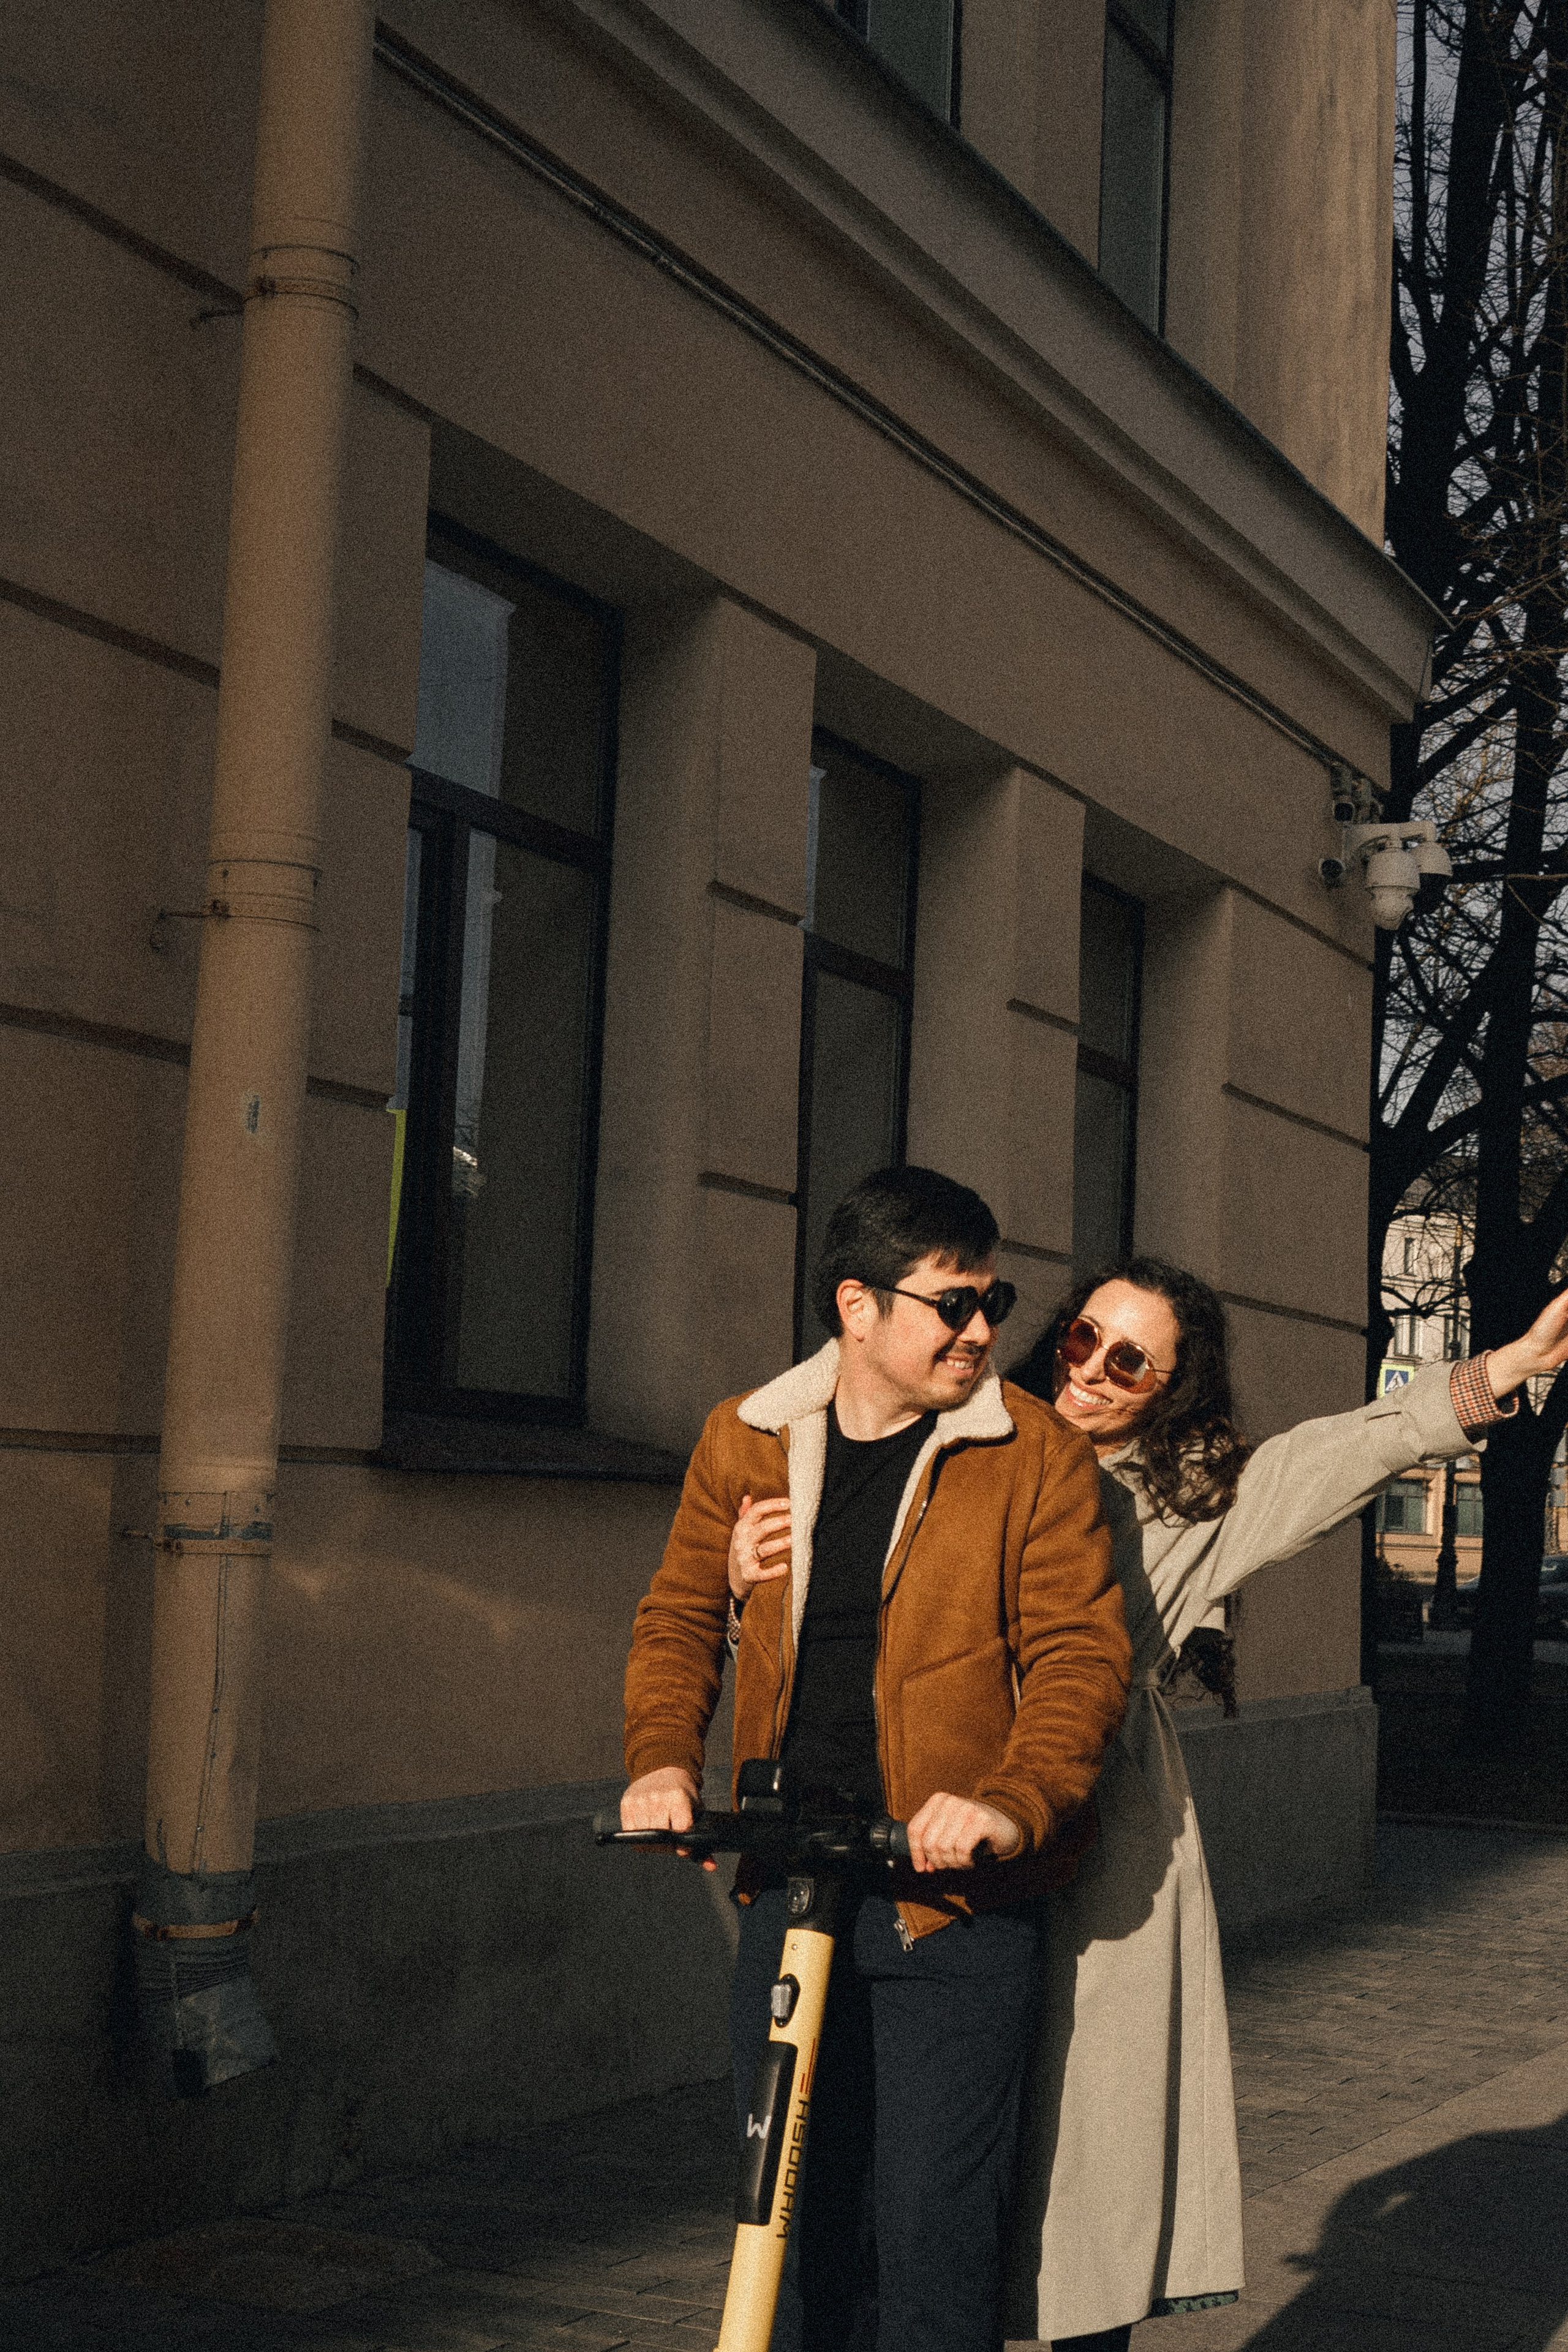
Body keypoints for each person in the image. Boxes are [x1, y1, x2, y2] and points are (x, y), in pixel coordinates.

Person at [973, 1255, 1568, 2352]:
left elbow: (1339, 1453)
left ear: (1172, 1389)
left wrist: (1505, 1369)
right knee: (943, 2151)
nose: (1091, 1371)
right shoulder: (967, 1439)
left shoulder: (1190, 1496)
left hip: (1100, 1840)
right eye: (1082, 1338)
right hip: (944, 1816)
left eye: (1130, 1361)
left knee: (1092, 2140)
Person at [621, 1166, 1133, 2352]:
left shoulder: (1032, 1455)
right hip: (791, 1882)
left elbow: (1078, 1659)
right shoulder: (748, 1439)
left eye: (992, 1302)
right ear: (858, 1306)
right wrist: (661, 1761)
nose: (980, 1330)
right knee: (792, 2231)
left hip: (949, 1907)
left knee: (933, 2242)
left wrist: (1009, 1804)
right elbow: (679, 1616)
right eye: (952, 1303)